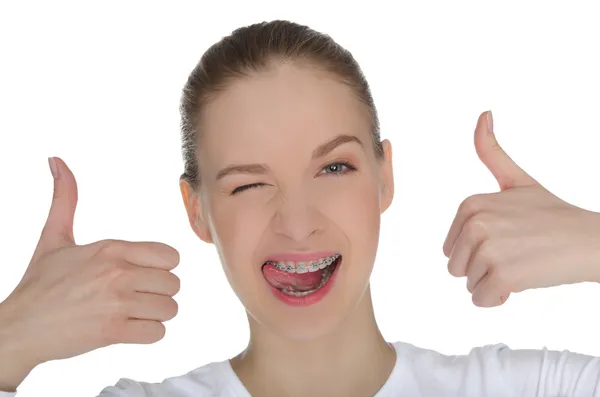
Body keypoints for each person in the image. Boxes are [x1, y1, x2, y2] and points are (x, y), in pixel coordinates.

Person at [1, 20, 599, 397]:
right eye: (247, 185)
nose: (298, 222)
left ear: (384, 175)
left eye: (333, 168)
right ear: (197, 210)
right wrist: (10, 339)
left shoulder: (537, 388)